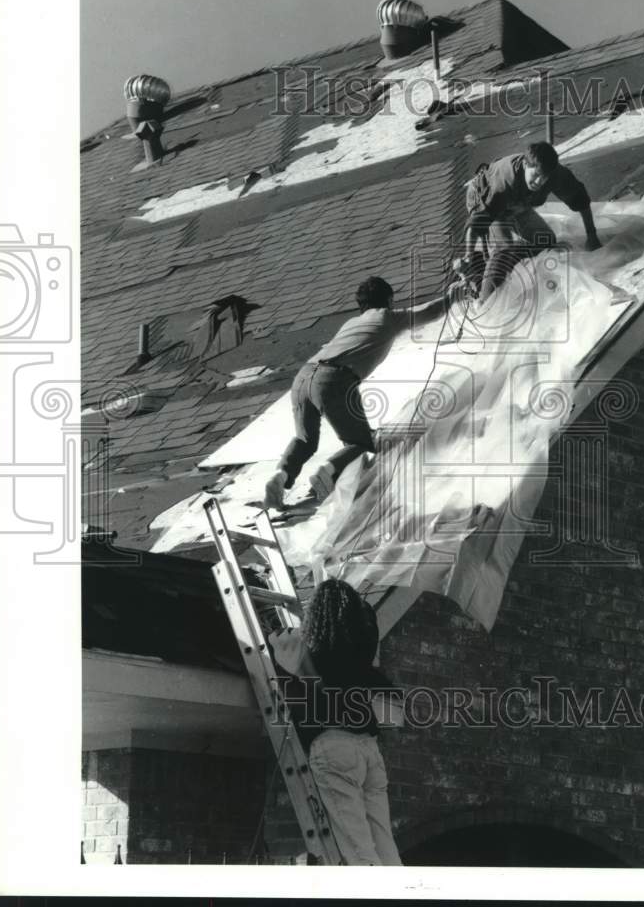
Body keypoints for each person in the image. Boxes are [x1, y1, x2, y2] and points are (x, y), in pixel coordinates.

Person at [263, 274, 464, 510]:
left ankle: (280, 476)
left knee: (304, 440)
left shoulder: (350, 324)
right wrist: (452, 297)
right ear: (388, 299)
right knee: (359, 443)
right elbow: (428, 312)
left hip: (303, 376)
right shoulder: (387, 317)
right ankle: (327, 472)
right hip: (333, 379)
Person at [268, 578, 404, 866]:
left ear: (315, 614)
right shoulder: (361, 649)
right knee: (386, 850)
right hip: (369, 750)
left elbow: (277, 642)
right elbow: (366, 617)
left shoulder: (308, 654)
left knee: (359, 853)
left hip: (333, 748)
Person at [454, 141, 601, 303]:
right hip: (486, 199)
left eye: (544, 178)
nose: (539, 182)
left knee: (546, 241)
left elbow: (580, 200)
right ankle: (482, 298)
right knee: (504, 249)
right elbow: (476, 224)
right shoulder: (502, 183)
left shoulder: (556, 175)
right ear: (525, 164)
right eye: (536, 175)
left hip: (519, 205)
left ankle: (490, 262)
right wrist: (467, 256)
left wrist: (592, 235)